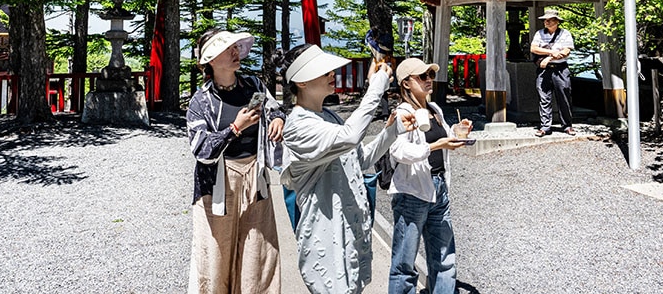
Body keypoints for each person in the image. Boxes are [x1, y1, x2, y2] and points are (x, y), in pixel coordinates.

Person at [280, 43, 411, 294]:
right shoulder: (298, 125)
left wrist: (392, 130)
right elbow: (352, 137)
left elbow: (359, 160)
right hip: (325, 238)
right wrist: (377, 84)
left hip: (349, 232)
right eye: (324, 71)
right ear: (301, 82)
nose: (332, 75)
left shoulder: (329, 115)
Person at [186, 28, 286, 294]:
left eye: (234, 47)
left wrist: (277, 119)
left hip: (255, 177)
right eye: (225, 49)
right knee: (215, 256)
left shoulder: (253, 85)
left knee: (260, 253)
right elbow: (201, 149)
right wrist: (234, 128)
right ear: (209, 61)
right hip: (218, 184)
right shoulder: (200, 101)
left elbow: (275, 108)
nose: (234, 53)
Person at [388, 57, 471, 294]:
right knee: (404, 262)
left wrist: (456, 133)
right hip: (412, 191)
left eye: (431, 75)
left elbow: (441, 137)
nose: (429, 80)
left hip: (438, 187)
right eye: (422, 76)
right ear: (406, 83)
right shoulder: (403, 113)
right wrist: (435, 147)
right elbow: (398, 150)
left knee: (444, 256)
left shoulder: (433, 109)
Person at [530, 9, 576, 137]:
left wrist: (549, 58)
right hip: (544, 70)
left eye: (549, 20)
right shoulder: (539, 34)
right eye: (545, 20)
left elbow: (566, 51)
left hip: (560, 68)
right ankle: (545, 126)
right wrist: (551, 53)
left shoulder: (565, 34)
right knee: (544, 97)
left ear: (557, 22)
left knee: (564, 96)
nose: (546, 22)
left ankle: (567, 125)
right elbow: (533, 48)